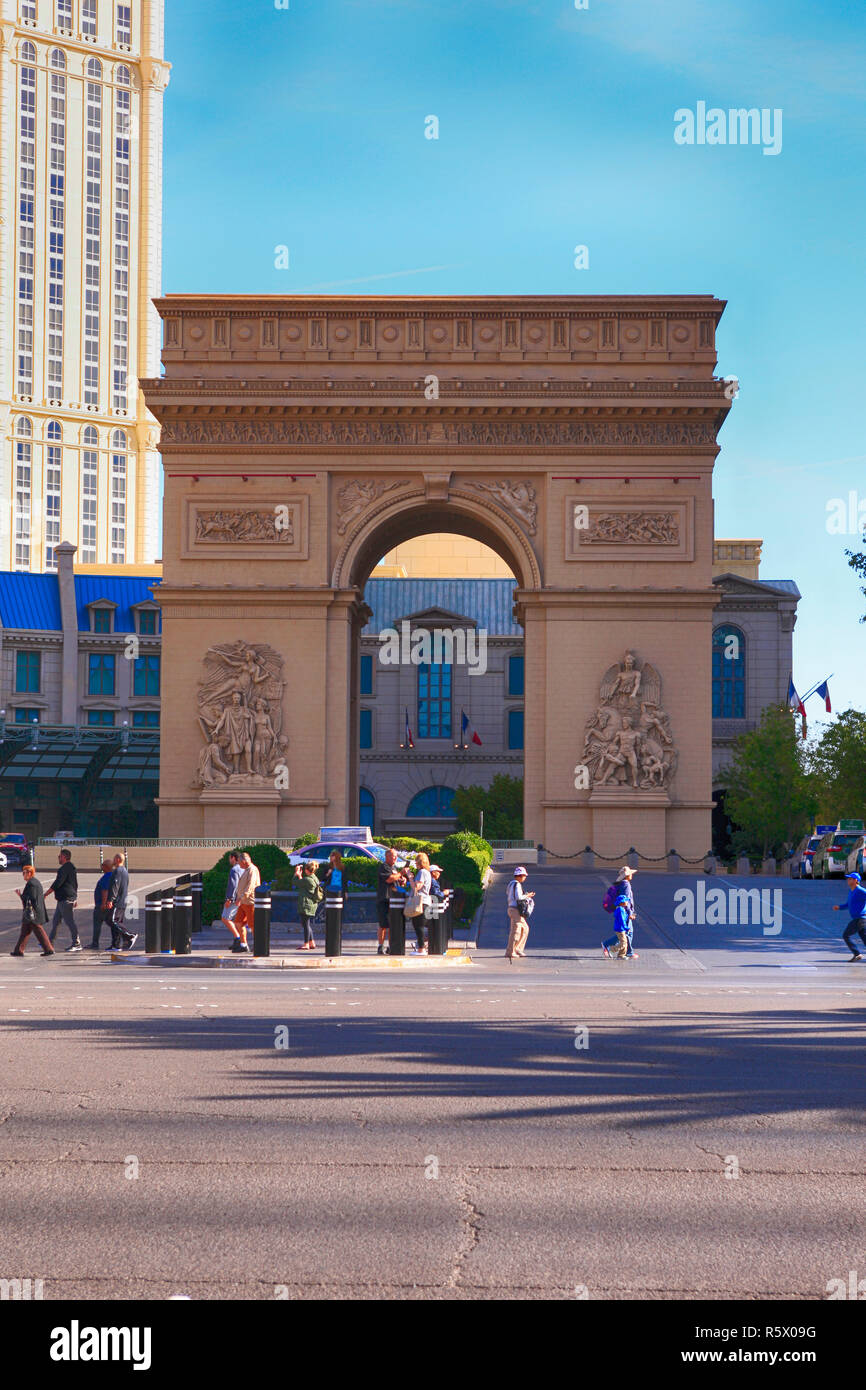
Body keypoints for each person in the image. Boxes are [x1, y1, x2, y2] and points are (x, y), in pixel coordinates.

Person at [10, 864, 54, 957]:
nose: (23, 875)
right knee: (25, 931)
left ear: (29, 873)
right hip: (33, 912)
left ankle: (49, 949)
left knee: (38, 930)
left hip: (33, 912)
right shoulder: (34, 882)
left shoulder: (32, 883)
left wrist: (22, 896)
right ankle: (18, 950)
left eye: (24, 873)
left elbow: (32, 897)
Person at [46, 849, 82, 952]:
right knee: (56, 921)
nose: (58, 858)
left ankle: (77, 943)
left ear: (65, 857)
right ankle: (49, 942)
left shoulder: (64, 869)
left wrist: (46, 894)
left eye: (60, 856)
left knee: (69, 921)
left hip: (66, 899)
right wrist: (75, 897)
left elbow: (58, 883)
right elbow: (75, 884)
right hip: (63, 899)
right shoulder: (71, 867)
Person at [601, 867, 638, 959]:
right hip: (625, 912)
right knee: (625, 932)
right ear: (627, 875)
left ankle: (627, 952)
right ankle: (608, 945)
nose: (632, 875)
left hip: (622, 911)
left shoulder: (621, 884)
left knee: (626, 932)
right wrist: (630, 913)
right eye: (631, 873)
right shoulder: (626, 885)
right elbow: (626, 900)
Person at [832, 871, 866, 961]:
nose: (848, 880)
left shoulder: (860, 890)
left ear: (856, 880)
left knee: (846, 935)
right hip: (858, 918)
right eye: (848, 878)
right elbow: (848, 904)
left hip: (860, 918)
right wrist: (839, 907)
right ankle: (857, 954)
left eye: (850, 879)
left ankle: (857, 954)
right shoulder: (852, 891)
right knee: (864, 937)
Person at [376, 848, 403, 956]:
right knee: (383, 925)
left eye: (396, 856)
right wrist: (401, 874)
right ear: (387, 857)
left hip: (394, 899)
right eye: (393, 856)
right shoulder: (384, 867)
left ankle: (391, 946)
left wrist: (401, 880)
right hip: (384, 899)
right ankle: (380, 946)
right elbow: (389, 879)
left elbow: (396, 879)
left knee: (392, 924)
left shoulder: (394, 867)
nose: (395, 858)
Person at [505, 866, 534, 962]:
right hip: (515, 910)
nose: (525, 877)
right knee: (516, 931)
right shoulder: (516, 884)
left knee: (525, 928)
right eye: (524, 875)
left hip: (512, 909)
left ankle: (517, 949)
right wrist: (528, 896)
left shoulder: (510, 884)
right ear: (520, 876)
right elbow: (518, 897)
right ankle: (510, 951)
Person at [108, 853, 136, 951]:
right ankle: (116, 945)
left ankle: (130, 935)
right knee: (116, 922)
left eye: (114, 859)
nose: (113, 861)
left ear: (118, 860)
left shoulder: (118, 871)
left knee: (114, 921)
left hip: (118, 901)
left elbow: (115, 886)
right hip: (123, 900)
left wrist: (111, 899)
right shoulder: (125, 871)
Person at [233, 851, 261, 952]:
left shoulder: (252, 870)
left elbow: (250, 886)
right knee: (238, 922)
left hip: (250, 902)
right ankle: (243, 944)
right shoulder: (246, 869)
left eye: (239, 863)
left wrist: (241, 897)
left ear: (244, 861)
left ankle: (258, 944)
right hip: (243, 902)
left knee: (253, 925)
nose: (239, 865)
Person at [406, 852, 433, 954]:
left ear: (419, 862)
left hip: (421, 902)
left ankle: (421, 949)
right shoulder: (427, 872)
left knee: (418, 925)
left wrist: (410, 877)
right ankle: (421, 948)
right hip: (426, 901)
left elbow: (417, 887)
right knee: (419, 925)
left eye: (416, 861)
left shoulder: (422, 872)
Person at [87, 858, 115, 951]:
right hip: (108, 904)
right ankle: (116, 942)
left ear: (106, 867)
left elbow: (105, 891)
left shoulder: (107, 876)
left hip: (102, 905)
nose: (101, 866)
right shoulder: (113, 875)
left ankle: (95, 943)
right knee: (111, 923)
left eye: (103, 865)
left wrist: (103, 903)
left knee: (98, 924)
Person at [293, 861, 321, 950]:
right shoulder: (314, 878)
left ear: (306, 870)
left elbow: (295, 882)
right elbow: (303, 884)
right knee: (307, 924)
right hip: (312, 904)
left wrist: (296, 873)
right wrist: (300, 876)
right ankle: (312, 942)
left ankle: (306, 944)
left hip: (306, 904)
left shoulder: (307, 880)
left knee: (305, 925)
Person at [221, 850, 243, 948]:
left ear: (233, 858)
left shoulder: (234, 869)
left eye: (230, 858)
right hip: (242, 898)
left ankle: (237, 938)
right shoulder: (243, 869)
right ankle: (239, 941)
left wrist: (229, 899)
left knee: (225, 918)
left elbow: (233, 885)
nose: (229, 860)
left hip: (234, 899)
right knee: (237, 921)